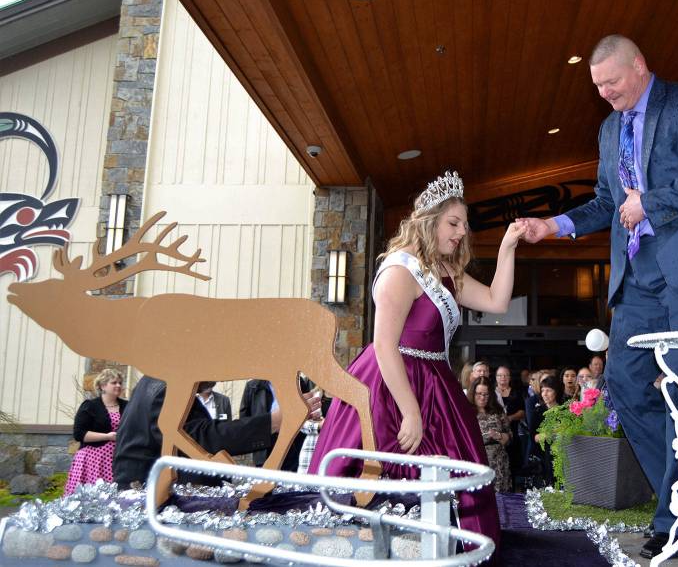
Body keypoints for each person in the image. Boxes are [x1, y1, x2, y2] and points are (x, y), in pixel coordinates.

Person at [518, 35, 678, 559]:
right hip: (640, 274)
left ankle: (677, 519)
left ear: (640, 66)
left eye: (612, 81)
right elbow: (608, 201)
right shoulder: (610, 129)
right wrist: (552, 225)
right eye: (597, 85)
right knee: (625, 384)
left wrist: (649, 203)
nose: (604, 92)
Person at [306, 171, 525, 547]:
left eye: (464, 225)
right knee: (385, 472)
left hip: (437, 381)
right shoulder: (400, 269)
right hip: (391, 384)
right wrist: (410, 411)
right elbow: (384, 345)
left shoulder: (449, 272)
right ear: (429, 221)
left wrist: (507, 247)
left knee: (454, 475)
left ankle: (450, 546)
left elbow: (496, 301)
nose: (460, 233)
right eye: (453, 223)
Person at [113, 375, 318, 488]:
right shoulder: (166, 386)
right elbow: (200, 437)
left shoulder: (158, 380)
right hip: (147, 492)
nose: (220, 374)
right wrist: (274, 422)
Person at [65, 369, 127, 495]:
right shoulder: (90, 406)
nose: (119, 386)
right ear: (103, 386)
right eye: (114, 382)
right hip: (92, 460)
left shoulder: (127, 406)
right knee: (89, 498)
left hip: (118, 458)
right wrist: (107, 437)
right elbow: (79, 434)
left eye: (120, 383)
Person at [469, 377, 512, 493]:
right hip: (475, 461)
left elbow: (510, 436)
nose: (482, 397)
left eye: (486, 394)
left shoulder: (498, 411)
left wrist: (499, 436)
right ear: (473, 393)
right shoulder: (466, 412)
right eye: (478, 394)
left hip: (498, 462)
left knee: (500, 501)